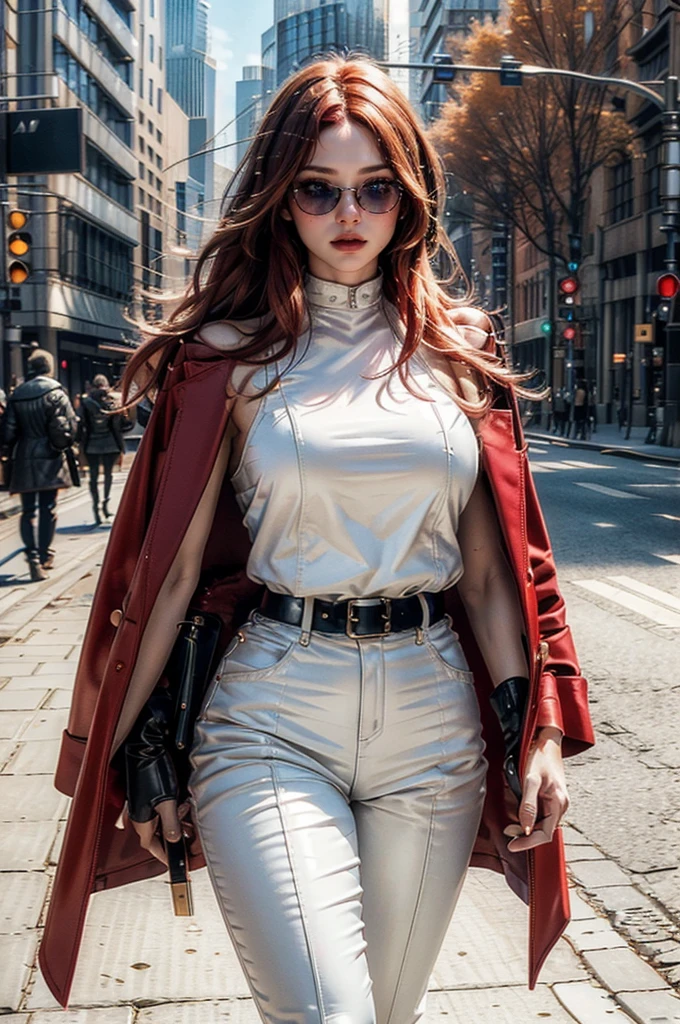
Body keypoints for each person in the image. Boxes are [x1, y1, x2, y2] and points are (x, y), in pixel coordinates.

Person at [39, 55, 595, 1018]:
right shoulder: (228, 357)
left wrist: (537, 730)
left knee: (385, 1013)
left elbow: (495, 577)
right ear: (279, 199)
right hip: (269, 716)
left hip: (437, 731)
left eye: (376, 188)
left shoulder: (458, 352)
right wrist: (140, 754)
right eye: (319, 190)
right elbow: (165, 579)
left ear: (408, 198)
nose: (351, 213)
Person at [2, 349, 78, 581]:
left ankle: (33, 558)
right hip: (50, 457)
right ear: (49, 367)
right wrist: (60, 447)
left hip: (24, 457)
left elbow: (8, 432)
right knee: (48, 509)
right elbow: (68, 428)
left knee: (28, 511)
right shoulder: (56, 393)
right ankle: (45, 555)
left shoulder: (18, 395)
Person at [80, 373, 127, 524]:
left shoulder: (86, 402)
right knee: (108, 475)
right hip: (110, 443)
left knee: (93, 477)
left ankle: (95, 506)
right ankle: (106, 504)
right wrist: (121, 444)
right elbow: (119, 425)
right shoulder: (111, 400)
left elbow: (82, 425)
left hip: (92, 445)